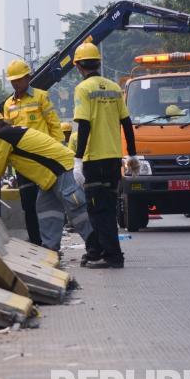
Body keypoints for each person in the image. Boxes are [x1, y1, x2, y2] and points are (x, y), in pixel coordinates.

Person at [0, 109, 98, 254]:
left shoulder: (3, 136)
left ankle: (96, 246)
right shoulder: (11, 133)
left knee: (77, 211)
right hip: (51, 177)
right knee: (46, 209)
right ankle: (50, 249)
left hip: (62, 170)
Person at [71, 42, 136, 269]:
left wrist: (78, 159)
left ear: (78, 66)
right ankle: (97, 252)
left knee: (98, 210)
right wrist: (133, 155)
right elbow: (127, 123)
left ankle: (112, 255)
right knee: (105, 206)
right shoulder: (113, 87)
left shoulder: (83, 89)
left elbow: (84, 124)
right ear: (98, 62)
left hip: (94, 159)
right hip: (113, 159)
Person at [0, 59, 64, 246]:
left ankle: (51, 243)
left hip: (43, 161)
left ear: (28, 77)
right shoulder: (8, 105)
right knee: (29, 205)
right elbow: (6, 135)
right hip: (22, 164)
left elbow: (54, 125)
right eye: (12, 80)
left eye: (19, 79)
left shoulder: (41, 97)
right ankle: (36, 243)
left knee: (48, 205)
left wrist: (59, 152)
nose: (15, 83)